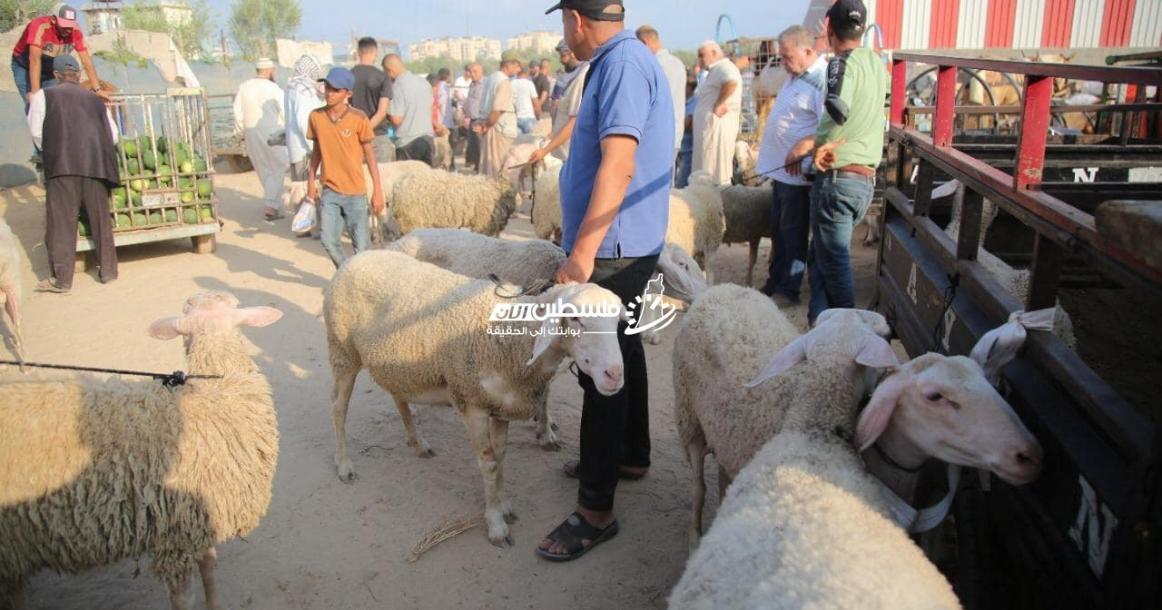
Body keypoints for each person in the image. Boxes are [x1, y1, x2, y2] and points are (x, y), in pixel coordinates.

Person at [537, 0, 674, 562]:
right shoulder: (632, 58)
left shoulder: (619, 65)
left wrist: (583, 254)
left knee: (600, 370)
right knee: (625, 349)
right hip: (627, 242)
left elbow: (618, 163)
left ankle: (595, 509)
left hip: (613, 249)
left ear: (574, 19)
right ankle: (631, 454)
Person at [806, 0, 888, 324]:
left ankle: (848, 330)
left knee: (835, 259)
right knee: (823, 255)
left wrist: (817, 143)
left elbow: (837, 108)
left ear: (829, 28)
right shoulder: (877, 64)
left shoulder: (841, 63)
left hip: (838, 178)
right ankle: (819, 324)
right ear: (863, 28)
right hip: (864, 179)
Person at [26, 55, 119, 293]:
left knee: (61, 222)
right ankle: (108, 272)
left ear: (56, 76)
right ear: (78, 76)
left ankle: (62, 280)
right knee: (100, 220)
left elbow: (37, 133)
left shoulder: (44, 96)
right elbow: (114, 136)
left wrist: (56, 148)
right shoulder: (97, 100)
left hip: (62, 167)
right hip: (96, 166)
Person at [755, 25, 826, 305]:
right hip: (781, 175)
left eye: (787, 57)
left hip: (799, 177)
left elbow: (827, 128)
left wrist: (803, 146)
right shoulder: (796, 76)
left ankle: (790, 288)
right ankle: (775, 280)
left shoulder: (821, 80)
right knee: (779, 231)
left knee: (794, 234)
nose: (782, 63)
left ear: (807, 50)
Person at [306, 67, 385, 268]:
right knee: (329, 241)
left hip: (356, 193)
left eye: (335, 89)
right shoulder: (316, 117)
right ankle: (346, 276)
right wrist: (310, 182)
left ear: (347, 93)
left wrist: (377, 191)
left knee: (362, 248)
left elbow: (370, 157)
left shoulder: (359, 118)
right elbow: (316, 152)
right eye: (327, 87)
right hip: (330, 191)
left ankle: (363, 281)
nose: (329, 93)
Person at [11, 4, 101, 108]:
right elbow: (34, 61)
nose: (68, 30)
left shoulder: (75, 31)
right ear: (53, 19)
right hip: (25, 66)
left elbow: (86, 61)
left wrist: (97, 89)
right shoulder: (38, 26)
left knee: (54, 103)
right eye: (65, 26)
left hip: (49, 67)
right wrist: (36, 95)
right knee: (34, 105)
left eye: (70, 26)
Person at [233, 58, 289, 221]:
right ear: (269, 71)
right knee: (279, 166)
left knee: (264, 169)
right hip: (273, 133)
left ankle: (274, 205)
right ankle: (271, 206)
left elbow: (237, 113)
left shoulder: (244, 87)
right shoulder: (274, 88)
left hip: (251, 133)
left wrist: (239, 134)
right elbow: (285, 112)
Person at [528, 40, 588, 164]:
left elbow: (573, 122)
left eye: (564, 55)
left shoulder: (582, 77)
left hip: (574, 148)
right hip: (562, 147)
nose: (561, 60)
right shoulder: (562, 79)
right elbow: (555, 105)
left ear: (572, 52)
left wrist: (544, 151)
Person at [692, 41, 742, 185]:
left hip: (717, 130)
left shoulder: (725, 67)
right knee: (705, 169)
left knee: (715, 170)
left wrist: (720, 103)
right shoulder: (714, 71)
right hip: (709, 131)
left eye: (702, 55)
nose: (700, 59)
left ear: (714, 53)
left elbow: (731, 82)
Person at [635, 26, 686, 163]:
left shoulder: (650, 65)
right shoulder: (678, 64)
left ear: (644, 43)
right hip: (675, 134)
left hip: (654, 137)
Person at [284, 54, 327, 217]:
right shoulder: (303, 90)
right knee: (310, 187)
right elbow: (304, 122)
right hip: (306, 149)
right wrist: (315, 145)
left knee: (300, 188)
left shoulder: (292, 86)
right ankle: (313, 226)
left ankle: (303, 225)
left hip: (297, 148)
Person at [382, 54, 435, 165]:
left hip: (408, 143)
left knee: (408, 181)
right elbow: (430, 111)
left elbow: (397, 119)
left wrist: (384, 112)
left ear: (389, 71)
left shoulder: (397, 86)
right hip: (428, 139)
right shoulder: (424, 83)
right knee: (427, 180)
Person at [476, 55, 520, 177]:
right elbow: (497, 110)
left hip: (490, 127)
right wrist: (487, 124)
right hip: (499, 130)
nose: (518, 70)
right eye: (517, 66)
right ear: (508, 65)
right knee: (500, 168)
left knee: (488, 168)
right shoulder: (504, 82)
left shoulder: (491, 78)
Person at [351, 37, 394, 162]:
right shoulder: (383, 77)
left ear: (358, 52)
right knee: (381, 179)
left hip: (354, 137)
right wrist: (367, 129)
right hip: (378, 138)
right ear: (376, 52)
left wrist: (360, 132)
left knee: (358, 179)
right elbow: (381, 112)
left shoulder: (348, 76)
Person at [674, 75, 697, 188]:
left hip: (688, 148)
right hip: (681, 146)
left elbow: (687, 123)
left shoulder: (695, 101)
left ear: (689, 87)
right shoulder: (682, 101)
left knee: (681, 182)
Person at [464, 63, 485, 171]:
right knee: (473, 146)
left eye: (475, 72)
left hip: (480, 119)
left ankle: (482, 168)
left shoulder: (485, 84)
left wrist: (483, 122)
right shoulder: (472, 84)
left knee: (480, 146)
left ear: (482, 71)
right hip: (472, 119)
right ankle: (477, 167)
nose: (472, 74)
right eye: (470, 72)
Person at [512, 67, 539, 135]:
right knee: (530, 143)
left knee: (517, 144)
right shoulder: (529, 84)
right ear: (527, 73)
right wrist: (539, 116)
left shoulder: (511, 83)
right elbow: (535, 103)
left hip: (515, 118)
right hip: (528, 117)